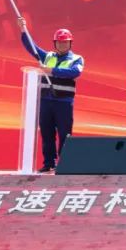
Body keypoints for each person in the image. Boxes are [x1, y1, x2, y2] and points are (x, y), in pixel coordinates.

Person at [18, 18, 84, 173]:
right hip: (46, 101)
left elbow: (74, 72)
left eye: (65, 42)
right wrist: (23, 29)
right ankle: (49, 163)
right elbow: (32, 47)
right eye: (59, 42)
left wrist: (51, 71)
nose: (62, 45)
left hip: (64, 102)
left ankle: (65, 164)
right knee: (47, 133)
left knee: (65, 134)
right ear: (55, 43)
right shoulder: (48, 57)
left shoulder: (77, 59)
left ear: (70, 43)